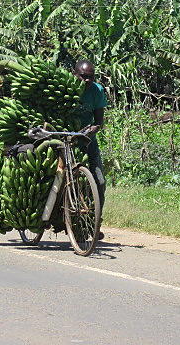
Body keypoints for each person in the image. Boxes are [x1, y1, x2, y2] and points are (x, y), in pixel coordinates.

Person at [74, 59, 107, 240]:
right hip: (66, 139)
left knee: (99, 181)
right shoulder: (66, 87)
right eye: (83, 76)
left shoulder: (97, 90)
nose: (87, 80)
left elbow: (99, 122)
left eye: (90, 77)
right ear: (75, 74)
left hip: (88, 142)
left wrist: (93, 129)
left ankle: (95, 223)